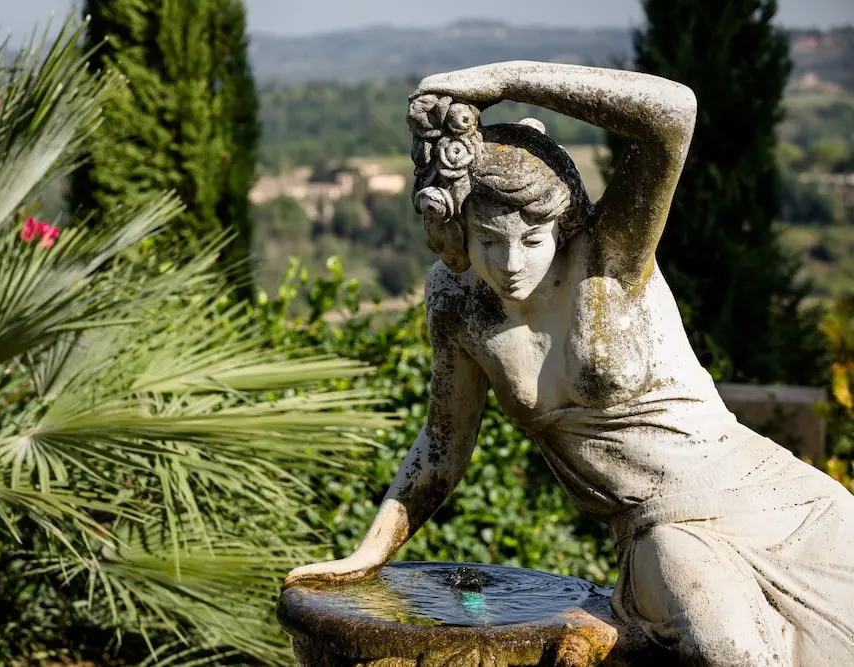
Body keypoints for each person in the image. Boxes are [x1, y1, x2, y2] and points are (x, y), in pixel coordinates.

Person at [283, 62, 854, 666]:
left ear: (562, 226)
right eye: (489, 239)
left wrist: (501, 81)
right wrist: (370, 552)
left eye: (533, 240)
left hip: (778, 499)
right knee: (734, 653)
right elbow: (443, 447)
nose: (511, 262)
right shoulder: (457, 302)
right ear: (456, 228)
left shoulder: (609, 256)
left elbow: (673, 113)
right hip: (662, 527)